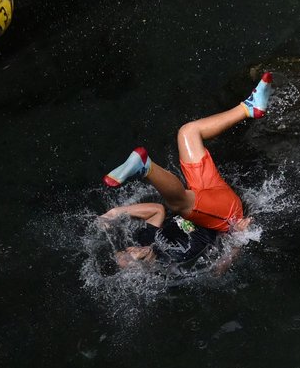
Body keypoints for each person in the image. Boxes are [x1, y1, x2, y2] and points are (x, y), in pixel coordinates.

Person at [100, 72, 273, 272]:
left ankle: (249, 108)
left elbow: (157, 211)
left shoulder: (144, 241)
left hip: (207, 193)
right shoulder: (172, 265)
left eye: (124, 250)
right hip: (227, 214)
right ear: (135, 272)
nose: (131, 250)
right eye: (129, 257)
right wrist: (240, 238)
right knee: (180, 204)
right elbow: (219, 270)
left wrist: (115, 212)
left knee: (188, 133)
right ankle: (146, 167)